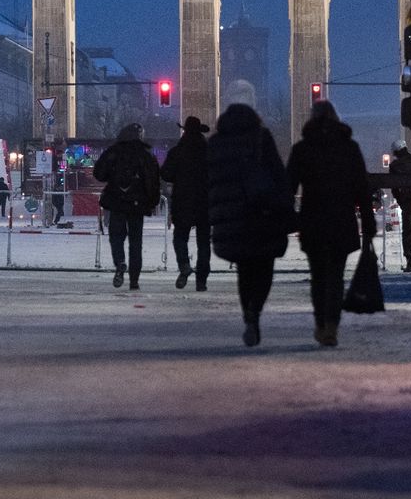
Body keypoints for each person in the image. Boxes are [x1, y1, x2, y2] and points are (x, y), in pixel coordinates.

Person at [286, 100, 376, 347]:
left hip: (313, 221)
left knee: (318, 276)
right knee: (336, 275)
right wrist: (368, 222)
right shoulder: (350, 148)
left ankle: (320, 323)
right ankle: (331, 326)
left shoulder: (302, 149)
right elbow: (362, 189)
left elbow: (288, 187)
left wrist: (287, 219)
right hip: (341, 220)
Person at [206, 103, 291, 346]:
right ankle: (256, 311)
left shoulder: (215, 143)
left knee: (245, 270)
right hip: (262, 214)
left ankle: (248, 316)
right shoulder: (261, 138)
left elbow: (208, 179)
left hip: (232, 218)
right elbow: (278, 173)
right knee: (264, 268)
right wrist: (283, 204)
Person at [93, 124, 161, 288]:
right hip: (137, 205)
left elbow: (99, 174)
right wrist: (152, 202)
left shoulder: (114, 151)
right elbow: (153, 180)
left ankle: (120, 262)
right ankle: (134, 281)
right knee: (135, 243)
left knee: (116, 237)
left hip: (117, 203)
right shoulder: (145, 154)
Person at [160, 115, 212, 290]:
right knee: (203, 242)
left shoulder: (177, 152)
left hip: (183, 201)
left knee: (180, 237)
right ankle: (201, 281)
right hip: (205, 201)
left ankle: (184, 265)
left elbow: (166, 174)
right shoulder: (209, 151)